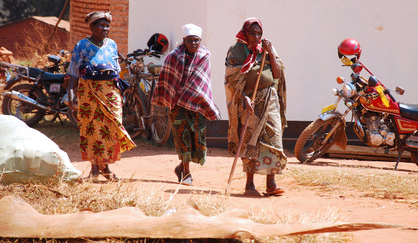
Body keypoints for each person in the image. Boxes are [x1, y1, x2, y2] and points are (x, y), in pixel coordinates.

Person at [67, 11, 136, 181]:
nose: (105, 28)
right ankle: (94, 169)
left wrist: (120, 92)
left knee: (110, 129)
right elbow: (74, 70)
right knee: (92, 129)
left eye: (107, 25)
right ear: (91, 27)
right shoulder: (81, 45)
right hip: (89, 93)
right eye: (101, 25)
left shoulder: (112, 44)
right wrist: (70, 92)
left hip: (111, 93)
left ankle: (105, 167)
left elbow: (116, 70)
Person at [225, 17, 287, 197]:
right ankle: (250, 185)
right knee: (250, 141)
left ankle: (271, 183)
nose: (256, 37)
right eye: (252, 33)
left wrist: (270, 52)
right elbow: (231, 81)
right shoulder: (236, 51)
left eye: (259, 33)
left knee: (274, 139)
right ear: (245, 33)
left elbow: (277, 74)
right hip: (249, 101)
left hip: (269, 99)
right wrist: (244, 98)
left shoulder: (266, 49)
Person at [152, 23, 219, 186]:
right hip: (177, 105)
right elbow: (167, 78)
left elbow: (201, 82)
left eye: (196, 40)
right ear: (184, 40)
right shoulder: (174, 56)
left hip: (197, 105)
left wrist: (195, 96)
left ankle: (180, 167)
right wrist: (172, 98)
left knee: (197, 138)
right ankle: (186, 173)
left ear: (200, 40)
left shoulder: (204, 55)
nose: (193, 44)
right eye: (190, 40)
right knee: (183, 137)